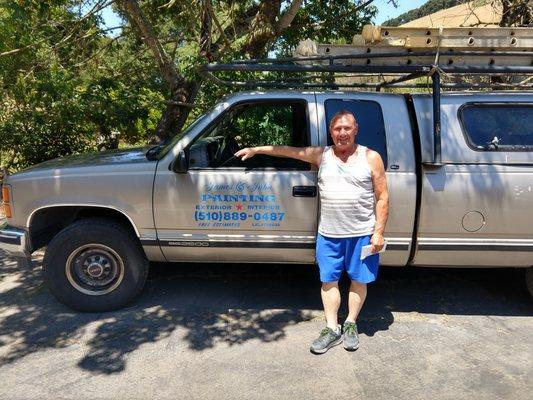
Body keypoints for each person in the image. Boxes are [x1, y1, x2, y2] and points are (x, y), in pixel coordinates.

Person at [234, 110, 389, 354]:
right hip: (328, 233)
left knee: (359, 281)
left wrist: (378, 232)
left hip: (362, 233)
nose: (342, 133)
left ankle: (350, 324)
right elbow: (287, 150)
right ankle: (332, 328)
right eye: (337, 129)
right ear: (331, 132)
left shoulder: (371, 157)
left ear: (356, 129)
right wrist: (256, 149)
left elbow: (382, 196)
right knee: (328, 281)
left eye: (347, 128)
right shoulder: (322, 155)